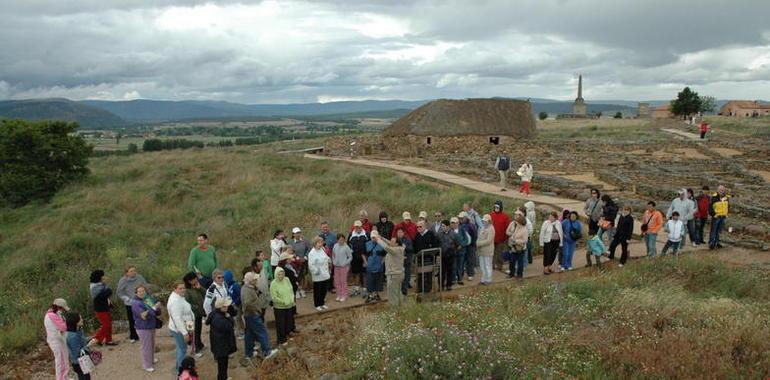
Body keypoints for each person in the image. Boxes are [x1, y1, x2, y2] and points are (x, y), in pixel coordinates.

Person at [241, 271, 278, 360]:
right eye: (255, 279)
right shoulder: (247, 290)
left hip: (248, 315)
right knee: (262, 331)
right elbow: (247, 303)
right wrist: (255, 311)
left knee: (249, 335)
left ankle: (249, 353)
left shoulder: (248, 288)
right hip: (252, 315)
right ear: (250, 281)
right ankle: (267, 351)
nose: (257, 280)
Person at [131, 284, 161, 372]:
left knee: (151, 343)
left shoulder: (147, 299)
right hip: (142, 327)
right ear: (136, 293)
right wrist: (154, 307)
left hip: (151, 325)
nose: (141, 293)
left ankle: (151, 359)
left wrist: (156, 308)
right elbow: (143, 315)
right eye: (139, 291)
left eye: (143, 291)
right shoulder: (136, 303)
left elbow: (156, 311)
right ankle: (147, 365)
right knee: (146, 346)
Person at [206, 297, 237, 380]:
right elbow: (230, 326)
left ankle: (224, 377)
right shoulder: (219, 319)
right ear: (221, 307)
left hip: (219, 344)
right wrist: (229, 317)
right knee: (222, 365)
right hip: (222, 346)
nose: (227, 307)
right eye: (226, 306)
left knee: (222, 365)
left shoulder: (214, 314)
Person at [168, 280, 195, 372]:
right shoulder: (175, 301)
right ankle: (181, 371)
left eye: (184, 288)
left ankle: (179, 366)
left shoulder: (179, 297)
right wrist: (185, 333)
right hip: (179, 329)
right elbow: (177, 319)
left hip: (186, 325)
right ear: (174, 289)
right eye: (180, 288)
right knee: (182, 349)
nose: (183, 290)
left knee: (181, 348)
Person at [374, 232, 406, 307]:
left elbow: (386, 247)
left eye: (392, 242)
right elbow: (389, 243)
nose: (390, 242)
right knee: (398, 292)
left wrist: (378, 240)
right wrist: (382, 238)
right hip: (398, 274)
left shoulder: (395, 250)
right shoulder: (400, 248)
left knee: (392, 294)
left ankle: (394, 311)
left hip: (393, 275)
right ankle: (401, 308)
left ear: (397, 244)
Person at [116, 265, 147, 343]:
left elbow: (145, 286)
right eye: (131, 271)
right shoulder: (123, 280)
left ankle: (143, 334)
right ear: (127, 273)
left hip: (141, 301)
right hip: (130, 303)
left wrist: (145, 296)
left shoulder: (140, 277)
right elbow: (119, 292)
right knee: (132, 320)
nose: (134, 272)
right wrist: (128, 299)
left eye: (134, 270)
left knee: (143, 317)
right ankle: (133, 336)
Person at [64, 312, 98, 380]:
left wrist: (91, 339)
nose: (82, 319)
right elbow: (77, 353)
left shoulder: (77, 330)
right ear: (75, 322)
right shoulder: (72, 336)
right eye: (80, 318)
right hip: (79, 363)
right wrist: (89, 345)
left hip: (82, 361)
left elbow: (82, 341)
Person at [44, 298, 70, 380]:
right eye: (62, 308)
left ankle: (64, 377)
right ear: (58, 307)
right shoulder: (52, 315)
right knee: (61, 360)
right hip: (56, 341)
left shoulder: (53, 313)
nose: (63, 310)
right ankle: (61, 378)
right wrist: (66, 322)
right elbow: (63, 327)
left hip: (58, 339)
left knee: (64, 359)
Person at [89, 269, 116, 346]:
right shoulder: (95, 288)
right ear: (99, 277)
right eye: (102, 276)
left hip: (104, 307)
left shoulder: (101, 285)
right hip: (100, 309)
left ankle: (108, 340)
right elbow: (105, 294)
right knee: (106, 325)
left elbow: (107, 293)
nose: (104, 277)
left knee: (108, 324)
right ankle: (97, 338)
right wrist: (108, 289)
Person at [182, 272, 205, 357]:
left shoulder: (196, 286)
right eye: (194, 279)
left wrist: (200, 289)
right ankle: (194, 349)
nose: (196, 280)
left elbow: (205, 293)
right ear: (189, 281)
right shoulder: (187, 291)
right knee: (192, 332)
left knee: (198, 330)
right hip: (191, 315)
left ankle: (199, 344)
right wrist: (196, 307)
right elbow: (187, 303)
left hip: (199, 313)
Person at [270, 267, 296, 346]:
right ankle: (281, 339)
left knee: (288, 322)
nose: (281, 275)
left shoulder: (286, 280)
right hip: (279, 307)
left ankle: (287, 335)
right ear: (276, 274)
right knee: (280, 323)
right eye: (279, 274)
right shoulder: (273, 283)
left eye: (282, 273)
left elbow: (291, 290)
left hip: (289, 305)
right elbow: (274, 297)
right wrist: (283, 302)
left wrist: (292, 299)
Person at [414, 221, 440, 293]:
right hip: (419, 258)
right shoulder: (417, 235)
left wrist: (434, 254)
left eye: (420, 226)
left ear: (425, 226)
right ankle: (420, 288)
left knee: (428, 274)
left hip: (429, 258)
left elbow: (436, 245)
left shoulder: (431, 234)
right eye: (417, 227)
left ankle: (428, 289)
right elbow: (415, 247)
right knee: (420, 274)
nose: (418, 228)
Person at [437, 219, 461, 291]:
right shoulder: (439, 234)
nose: (442, 227)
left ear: (448, 226)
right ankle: (441, 286)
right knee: (441, 272)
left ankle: (449, 285)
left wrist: (454, 251)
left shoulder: (454, 234)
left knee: (450, 271)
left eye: (443, 226)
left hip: (451, 256)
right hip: (442, 256)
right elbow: (437, 244)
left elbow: (459, 245)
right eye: (441, 226)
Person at [308, 236, 331, 311]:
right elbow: (311, 265)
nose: (320, 244)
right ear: (315, 243)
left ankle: (322, 303)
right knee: (317, 290)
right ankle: (317, 304)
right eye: (318, 243)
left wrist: (329, 260)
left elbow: (326, 257)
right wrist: (316, 271)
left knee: (324, 290)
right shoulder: (312, 253)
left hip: (325, 273)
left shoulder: (322, 249)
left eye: (321, 242)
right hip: (317, 275)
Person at [348, 221, 369, 297]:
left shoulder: (366, 234)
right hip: (355, 258)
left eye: (359, 227)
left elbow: (368, 247)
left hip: (364, 258)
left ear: (361, 226)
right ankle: (356, 290)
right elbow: (348, 246)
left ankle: (365, 290)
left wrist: (366, 259)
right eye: (356, 227)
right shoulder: (351, 235)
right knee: (356, 274)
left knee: (364, 274)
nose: (357, 228)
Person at [365, 230, 386, 302]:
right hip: (370, 266)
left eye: (375, 237)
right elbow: (363, 254)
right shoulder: (367, 244)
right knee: (370, 281)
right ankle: (370, 295)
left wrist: (382, 262)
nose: (373, 239)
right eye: (372, 237)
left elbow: (385, 255)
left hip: (379, 266)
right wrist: (366, 262)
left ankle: (376, 295)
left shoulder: (382, 244)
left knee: (378, 281)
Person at [709, 185, 731, 250]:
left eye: (723, 190)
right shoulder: (714, 197)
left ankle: (717, 242)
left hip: (723, 217)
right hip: (716, 217)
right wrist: (714, 214)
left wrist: (727, 213)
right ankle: (712, 243)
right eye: (720, 190)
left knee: (719, 231)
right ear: (717, 190)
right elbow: (710, 208)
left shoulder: (726, 198)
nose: (722, 191)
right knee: (713, 230)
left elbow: (727, 206)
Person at [490, 200, 511, 271]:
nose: (496, 208)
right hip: (492, 238)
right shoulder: (491, 215)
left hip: (501, 238)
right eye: (495, 207)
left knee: (499, 253)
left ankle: (499, 266)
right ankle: (492, 265)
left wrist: (506, 237)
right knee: (492, 252)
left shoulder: (505, 216)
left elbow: (508, 227)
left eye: (497, 207)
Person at [290, 227, 310, 298]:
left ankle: (302, 290)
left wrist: (305, 257)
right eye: (296, 233)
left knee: (303, 275)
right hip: (295, 262)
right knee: (296, 276)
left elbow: (309, 249)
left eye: (299, 233)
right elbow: (291, 251)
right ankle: (297, 290)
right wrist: (297, 258)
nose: (298, 234)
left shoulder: (305, 241)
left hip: (304, 261)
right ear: (293, 234)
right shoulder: (291, 242)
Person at [507, 214, 529, 279]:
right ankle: (511, 274)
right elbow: (513, 234)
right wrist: (512, 237)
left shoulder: (525, 230)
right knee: (512, 261)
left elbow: (525, 240)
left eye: (517, 222)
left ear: (520, 223)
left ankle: (519, 275)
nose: (516, 222)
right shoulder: (517, 227)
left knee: (520, 263)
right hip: (514, 247)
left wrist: (516, 241)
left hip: (520, 248)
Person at [332, 234, 353, 302]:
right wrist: (334, 262)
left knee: (343, 281)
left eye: (342, 240)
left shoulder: (346, 247)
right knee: (337, 281)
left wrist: (345, 263)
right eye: (340, 240)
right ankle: (339, 295)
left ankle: (344, 295)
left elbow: (350, 257)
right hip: (336, 267)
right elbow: (333, 255)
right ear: (337, 240)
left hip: (343, 267)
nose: (341, 241)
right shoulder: (335, 246)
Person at [223, 270, 243, 338]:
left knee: (238, 318)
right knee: (232, 319)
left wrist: (236, 303)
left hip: (237, 305)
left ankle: (241, 332)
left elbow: (240, 295)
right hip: (230, 305)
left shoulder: (235, 285)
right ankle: (237, 330)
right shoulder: (227, 286)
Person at [459, 212, 478, 282]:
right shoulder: (459, 226)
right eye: (460, 218)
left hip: (470, 246)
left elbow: (475, 235)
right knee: (461, 261)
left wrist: (472, 244)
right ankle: (460, 275)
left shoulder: (471, 225)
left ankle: (470, 274)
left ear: (466, 218)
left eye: (462, 218)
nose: (460, 219)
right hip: (463, 246)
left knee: (470, 260)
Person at [451, 216, 470, 285]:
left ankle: (460, 279)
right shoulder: (450, 231)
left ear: (458, 223)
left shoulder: (462, 230)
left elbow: (466, 240)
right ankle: (453, 279)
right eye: (452, 223)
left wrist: (461, 245)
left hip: (461, 251)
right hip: (453, 251)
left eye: (455, 223)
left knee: (460, 265)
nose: (453, 224)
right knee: (454, 266)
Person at [477, 215, 495, 285]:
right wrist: (477, 242)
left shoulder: (491, 229)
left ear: (489, 221)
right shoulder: (482, 228)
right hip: (481, 250)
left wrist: (479, 243)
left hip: (488, 250)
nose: (484, 222)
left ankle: (488, 279)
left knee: (487, 265)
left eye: (485, 221)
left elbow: (489, 240)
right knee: (482, 265)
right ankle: (483, 279)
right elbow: (479, 237)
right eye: (483, 220)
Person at [524, 201, 536, 265]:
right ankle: (530, 259)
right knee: (529, 246)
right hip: (531, 230)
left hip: (528, 230)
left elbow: (527, 221)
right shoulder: (533, 212)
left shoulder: (529, 213)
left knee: (527, 246)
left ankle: (528, 259)